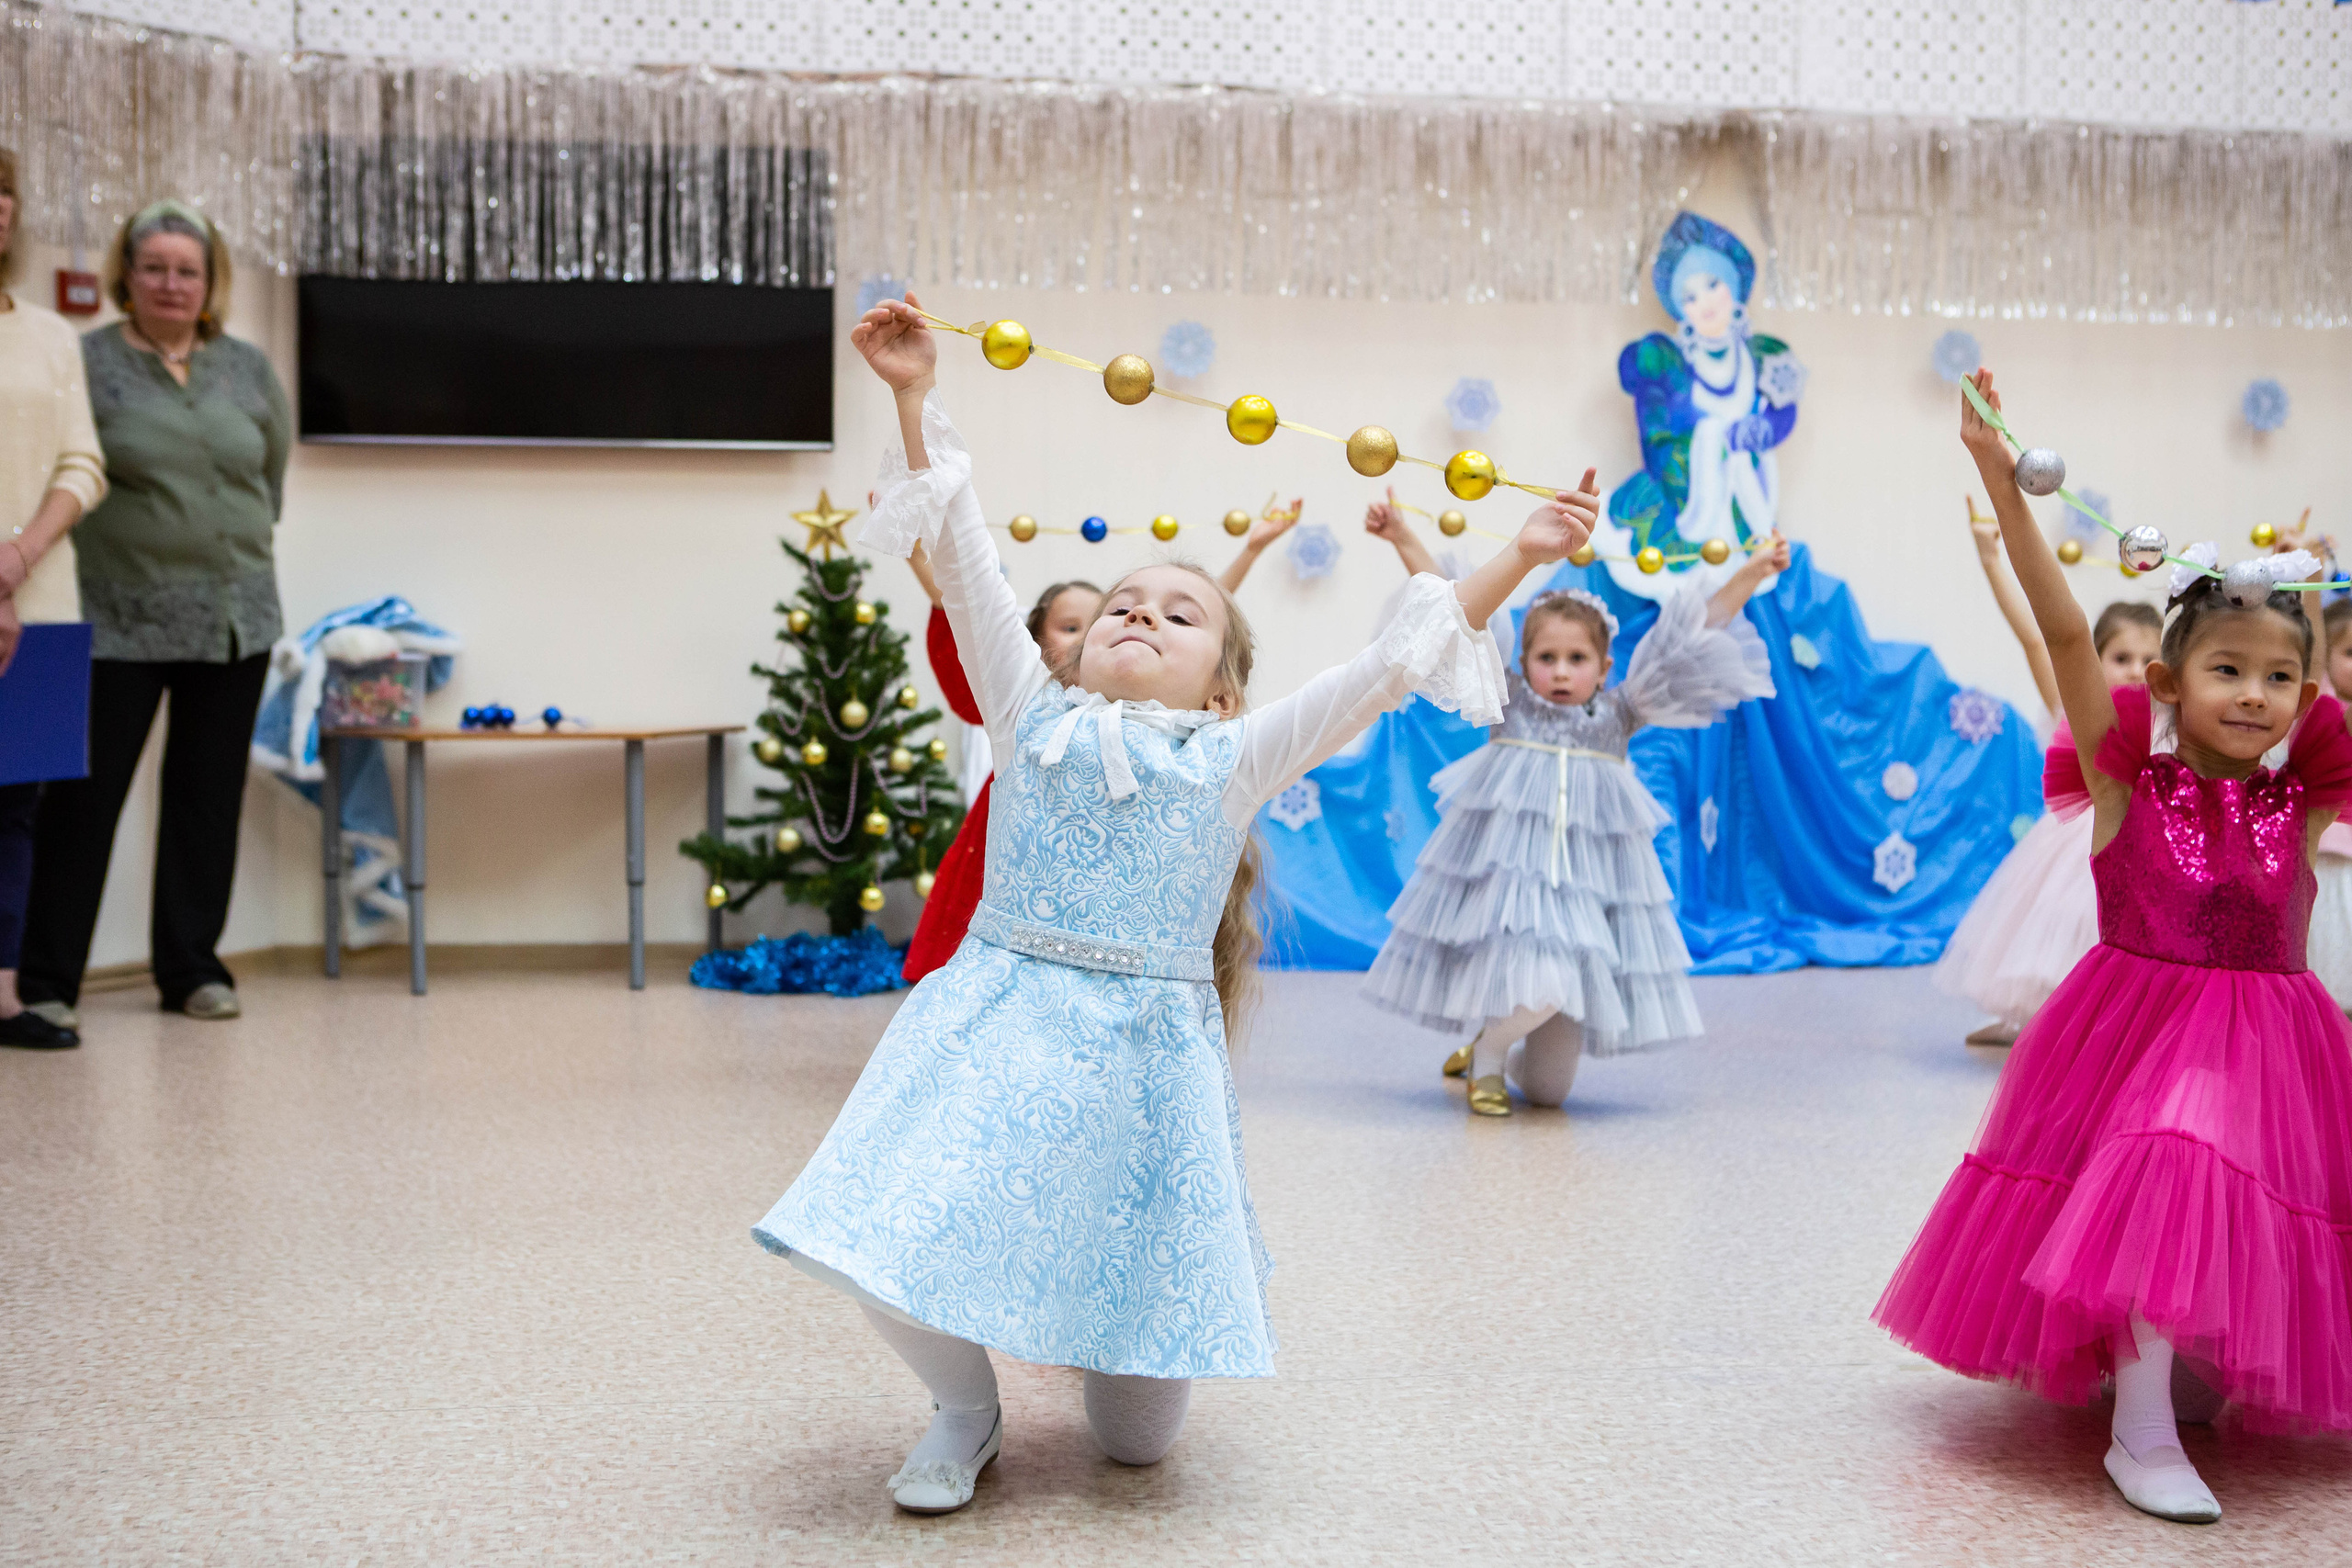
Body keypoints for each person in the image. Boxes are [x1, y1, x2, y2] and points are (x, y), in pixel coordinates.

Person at [752, 293, 1596, 1515]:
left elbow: (1389, 667)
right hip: (995, 1017)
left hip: (1140, 1055)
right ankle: (966, 1403)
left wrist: (1520, 552)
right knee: (877, 1237)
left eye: (1178, 609)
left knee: (1137, 1444)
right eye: (1113, 608)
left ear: (1222, 686)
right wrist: (911, 394)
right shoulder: (1030, 715)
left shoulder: (1234, 756)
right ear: (1074, 648)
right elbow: (973, 551)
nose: (1136, 612)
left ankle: (1106, 1321)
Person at [1875, 367, 2352, 1525]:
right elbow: (2057, 626)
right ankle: (2134, 1438)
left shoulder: (2306, 802)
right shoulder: (2125, 778)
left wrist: (2307, 592)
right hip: (2133, 1031)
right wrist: (2002, 482)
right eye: (2227, 672)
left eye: (2278, 677)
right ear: (2171, 684)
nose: (2254, 695)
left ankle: (2179, 1384)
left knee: (2226, 1222)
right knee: (2166, 1158)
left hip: (2274, 1038)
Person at [1363, 512, 1782, 1114]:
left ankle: (1491, 1041)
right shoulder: (1507, 701)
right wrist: (1406, 540)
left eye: (1577, 658)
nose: (1560, 671)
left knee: (1550, 1092)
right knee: (1538, 988)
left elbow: (1698, 635)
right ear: (1525, 660)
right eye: (1547, 657)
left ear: (1604, 667)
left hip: (1582, 902)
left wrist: (1752, 570)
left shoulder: (1621, 713)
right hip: (1515, 898)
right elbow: (1454, 614)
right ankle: (1485, 1064)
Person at [18, 199, 290, 1027]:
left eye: (189, 270)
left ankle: (192, 968)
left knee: (206, 802)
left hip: (234, 618)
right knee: (81, 805)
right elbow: (65, 465)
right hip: (117, 621)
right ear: (125, 278)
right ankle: (47, 983)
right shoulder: (87, 361)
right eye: (155, 268)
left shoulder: (246, 368)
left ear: (210, 283)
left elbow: (268, 479)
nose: (173, 284)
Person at [1936, 497, 2162, 1045]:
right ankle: (2034, 1020)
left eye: (2146, 659)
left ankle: (2116, 1027)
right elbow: (2038, 637)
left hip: (2144, 846)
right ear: (2095, 661)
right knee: (2057, 927)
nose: (2134, 671)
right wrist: (1993, 561)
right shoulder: (2075, 706)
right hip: (2072, 846)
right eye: (2119, 658)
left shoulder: (2169, 719)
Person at [0, 147, 107, 1049]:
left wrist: (19, 558)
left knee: (17, 802)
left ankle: (3, 992)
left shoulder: (49, 335)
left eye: (1, 194)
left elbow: (83, 462)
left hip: (44, 595)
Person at [899, 563, 1101, 984]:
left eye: (1098, 626)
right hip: (1008, 848)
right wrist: (918, 556)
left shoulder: (1138, 703)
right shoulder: (1020, 698)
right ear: (1037, 641)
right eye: (1070, 627)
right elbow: (958, 629)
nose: (1086, 638)